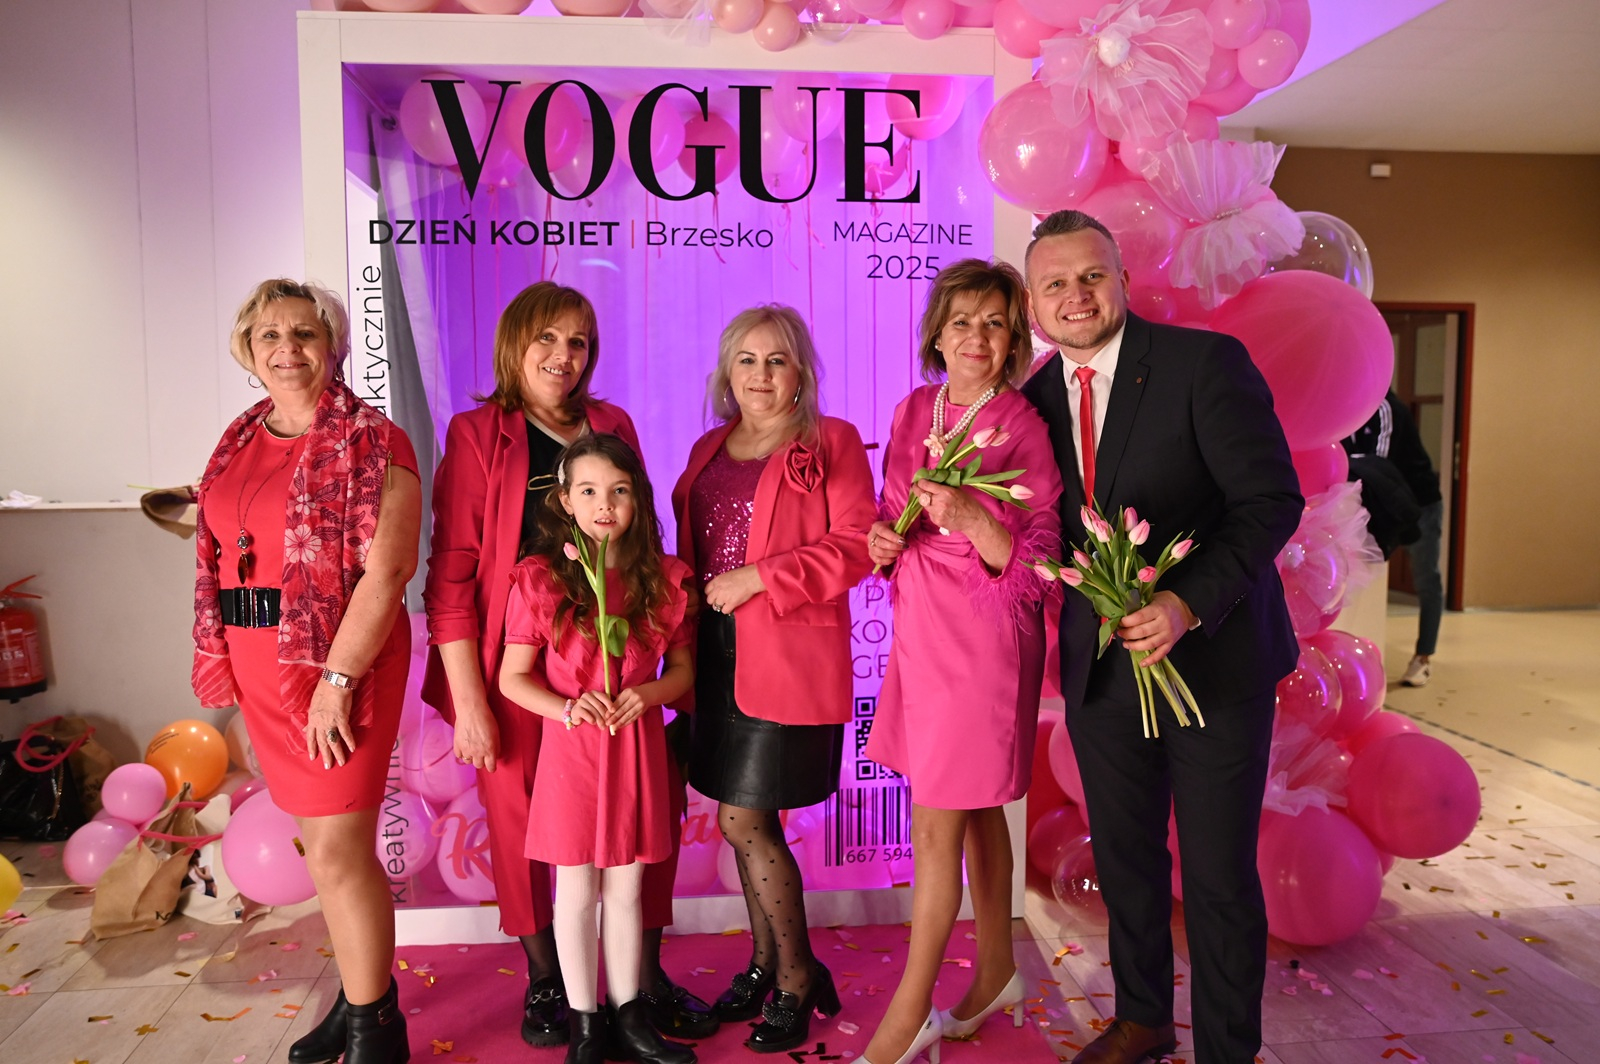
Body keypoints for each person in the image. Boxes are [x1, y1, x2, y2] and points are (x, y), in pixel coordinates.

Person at [1019, 212, 1302, 1064]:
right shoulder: (1030, 399)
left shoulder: (1202, 365)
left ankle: (1226, 1049)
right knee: (1126, 862)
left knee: (1216, 876)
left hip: (1215, 663)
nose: (1075, 296)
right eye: (1055, 283)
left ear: (1123, 280)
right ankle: (1142, 1020)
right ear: (1033, 304)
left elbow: (1269, 502)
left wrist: (1185, 603)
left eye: (1091, 275)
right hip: (1102, 671)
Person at [423, 282, 715, 1045]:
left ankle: (639, 982)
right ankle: (550, 981)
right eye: (547, 339)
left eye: (578, 341)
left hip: (614, 659)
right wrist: (472, 700)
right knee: (524, 825)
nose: (564, 355)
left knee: (639, 819)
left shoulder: (611, 424)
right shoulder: (477, 433)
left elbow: (641, 532)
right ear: (514, 346)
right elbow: (451, 577)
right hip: (520, 664)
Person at [192, 279, 422, 1064]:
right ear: (247, 350)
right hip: (261, 661)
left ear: (333, 345)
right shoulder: (237, 438)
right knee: (318, 845)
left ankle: (376, 1032)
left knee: (337, 851)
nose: (286, 348)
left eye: (305, 333)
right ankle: (362, 1002)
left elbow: (387, 574)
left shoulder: (376, 440)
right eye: (269, 335)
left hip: (338, 663)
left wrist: (337, 682)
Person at [861, 259, 1064, 1064]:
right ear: (937, 334)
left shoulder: (1023, 424)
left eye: (994, 323)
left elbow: (1040, 559)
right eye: (961, 322)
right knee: (975, 810)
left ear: (1013, 340)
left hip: (984, 639)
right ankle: (998, 972)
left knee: (936, 822)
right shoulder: (916, 408)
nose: (976, 337)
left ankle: (908, 1017)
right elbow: (891, 510)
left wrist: (976, 517)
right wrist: (883, 539)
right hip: (921, 626)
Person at [671, 305, 875, 1053]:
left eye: (777, 360)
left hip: (787, 659)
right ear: (728, 371)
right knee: (743, 816)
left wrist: (760, 577)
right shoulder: (707, 446)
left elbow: (858, 546)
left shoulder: (832, 441)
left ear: (801, 372)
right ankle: (765, 965)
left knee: (743, 821)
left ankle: (796, 977)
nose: (760, 375)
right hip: (711, 657)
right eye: (747, 360)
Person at [499, 434, 698, 1064]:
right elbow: (512, 678)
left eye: (619, 490)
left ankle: (629, 1016)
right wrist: (565, 708)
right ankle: (586, 1025)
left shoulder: (664, 581)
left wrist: (648, 694)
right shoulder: (540, 580)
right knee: (577, 890)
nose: (604, 504)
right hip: (573, 753)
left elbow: (683, 673)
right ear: (565, 500)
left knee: (629, 888)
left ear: (637, 499)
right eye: (588, 491)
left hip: (637, 747)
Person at [1343, 390, 1443, 687]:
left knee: (1426, 578)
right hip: (1384, 501)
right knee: (1369, 576)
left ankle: (1423, 656)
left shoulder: (1386, 408)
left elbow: (1377, 463)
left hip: (1419, 503)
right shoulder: (1347, 405)